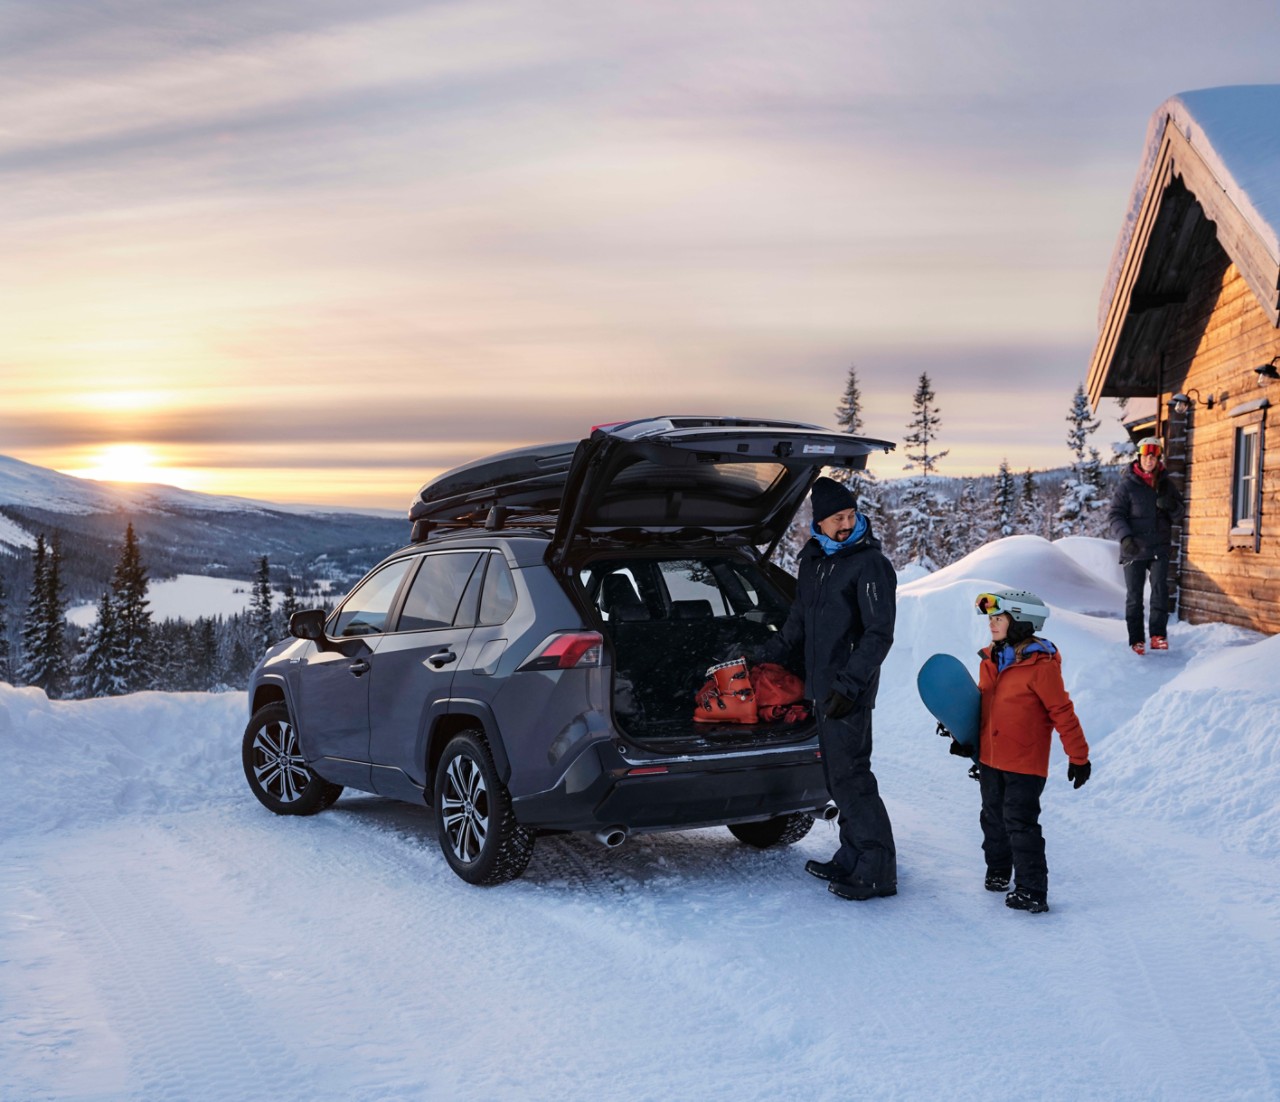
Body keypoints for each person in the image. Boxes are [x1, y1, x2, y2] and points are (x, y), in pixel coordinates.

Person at [761, 476, 898, 901]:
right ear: (819, 523)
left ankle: (877, 869)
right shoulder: (816, 563)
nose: (846, 524)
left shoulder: (868, 563)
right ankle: (852, 854)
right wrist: (765, 657)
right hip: (821, 690)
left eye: (850, 515)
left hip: (848, 691)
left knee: (853, 777)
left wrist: (850, 684)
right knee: (835, 779)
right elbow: (799, 622)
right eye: (837, 518)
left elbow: (879, 633)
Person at [960, 589, 1091, 915]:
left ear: (1020, 621)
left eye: (999, 618)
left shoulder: (1040, 666)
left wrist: (1078, 757)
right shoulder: (991, 659)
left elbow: (1062, 712)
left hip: (1024, 763)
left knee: (1019, 823)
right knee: (992, 818)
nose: (992, 624)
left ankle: (1032, 890)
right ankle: (999, 871)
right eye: (990, 618)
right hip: (990, 758)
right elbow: (983, 707)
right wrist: (964, 736)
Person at [1107, 436, 1184, 655]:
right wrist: (1125, 538)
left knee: (1160, 592)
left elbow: (1180, 513)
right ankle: (1136, 639)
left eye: (1153, 455)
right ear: (1139, 457)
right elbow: (1115, 515)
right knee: (1134, 596)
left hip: (1159, 546)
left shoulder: (1166, 485)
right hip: (1134, 547)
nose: (1149, 460)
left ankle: (1158, 635)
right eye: (1145, 455)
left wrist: (1170, 505)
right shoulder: (1128, 486)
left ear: (1158, 457)